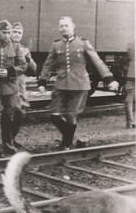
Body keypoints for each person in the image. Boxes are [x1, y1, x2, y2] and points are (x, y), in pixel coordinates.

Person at [38, 17, 119, 150]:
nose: (64, 28)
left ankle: (66, 144)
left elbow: (97, 61)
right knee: (54, 114)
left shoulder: (83, 43)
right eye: (61, 26)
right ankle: (70, 137)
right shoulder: (56, 45)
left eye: (66, 25)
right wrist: (42, 80)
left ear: (73, 27)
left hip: (80, 84)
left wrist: (109, 79)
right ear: (59, 28)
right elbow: (48, 64)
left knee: (70, 114)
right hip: (61, 83)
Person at [0, 20, 28, 158]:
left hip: (10, 87)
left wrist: (10, 71)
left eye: (9, 32)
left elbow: (23, 65)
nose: (7, 35)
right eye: (4, 32)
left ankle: (8, 143)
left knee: (9, 115)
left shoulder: (16, 46)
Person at [10, 22, 37, 114]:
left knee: (20, 109)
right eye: (14, 32)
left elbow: (34, 69)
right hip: (7, 82)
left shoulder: (24, 50)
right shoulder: (4, 47)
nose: (17, 34)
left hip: (19, 83)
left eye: (19, 32)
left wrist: (28, 59)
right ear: (10, 32)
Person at [124, 41, 136, 128]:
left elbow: (126, 58)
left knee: (129, 98)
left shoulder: (131, 44)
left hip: (131, 73)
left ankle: (129, 122)